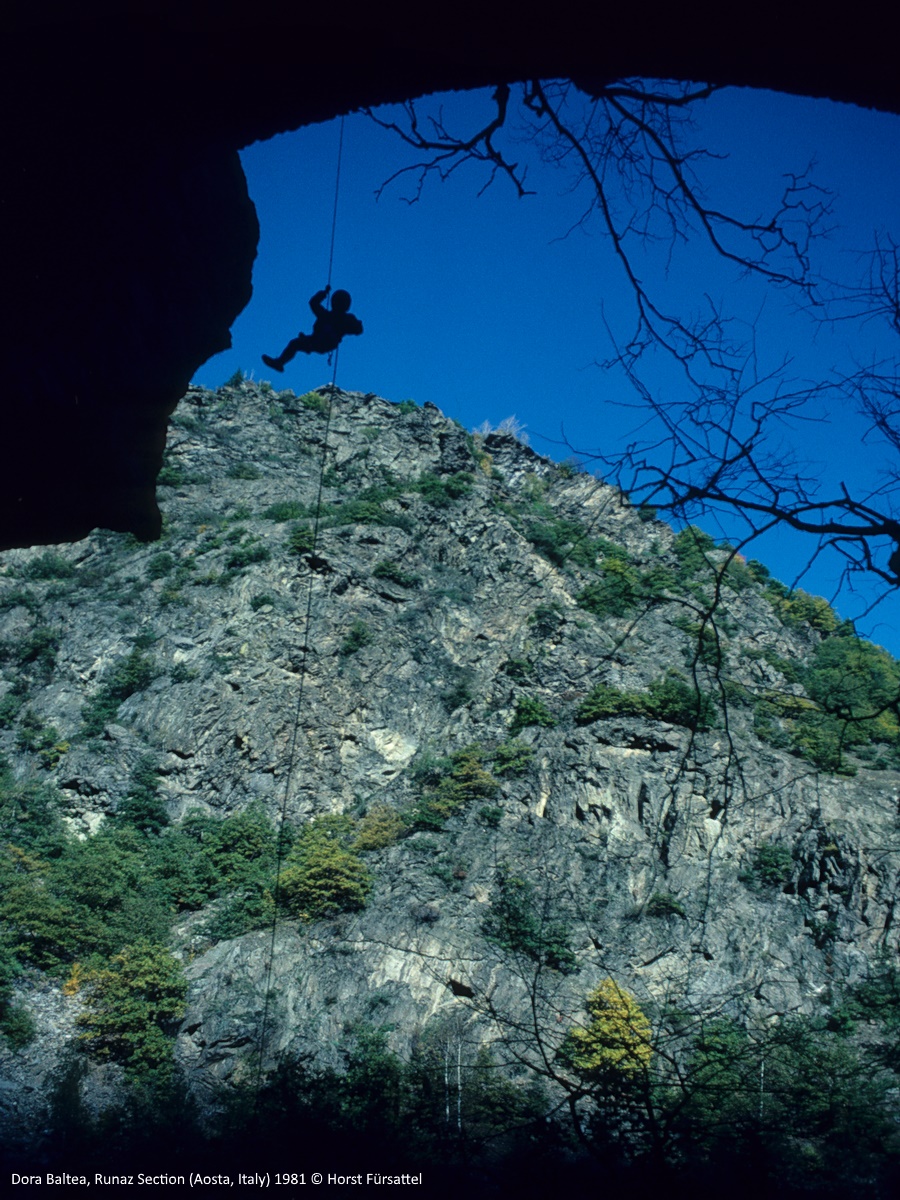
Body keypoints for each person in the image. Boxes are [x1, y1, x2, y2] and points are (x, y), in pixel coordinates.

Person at [262, 286, 363, 371]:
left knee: (295, 344)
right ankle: (279, 362)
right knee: (295, 343)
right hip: (320, 342)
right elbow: (358, 330)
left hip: (320, 342)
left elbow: (313, 303)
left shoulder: (328, 316)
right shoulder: (343, 318)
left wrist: (324, 293)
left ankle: (280, 362)